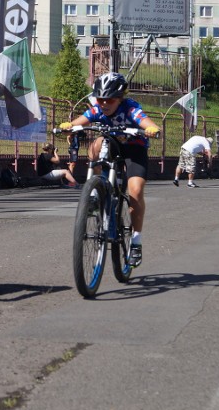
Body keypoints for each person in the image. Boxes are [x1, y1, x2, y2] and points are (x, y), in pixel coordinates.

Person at [58, 72, 161, 267]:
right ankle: (96, 189)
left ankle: (136, 242)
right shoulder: (98, 109)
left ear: (120, 98)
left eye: (110, 100)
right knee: (97, 144)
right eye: (100, 99)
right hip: (112, 145)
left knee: (136, 191)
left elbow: (145, 121)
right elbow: (81, 121)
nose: (104, 104)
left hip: (134, 148)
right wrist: (69, 126)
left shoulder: (130, 108)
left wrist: (151, 128)